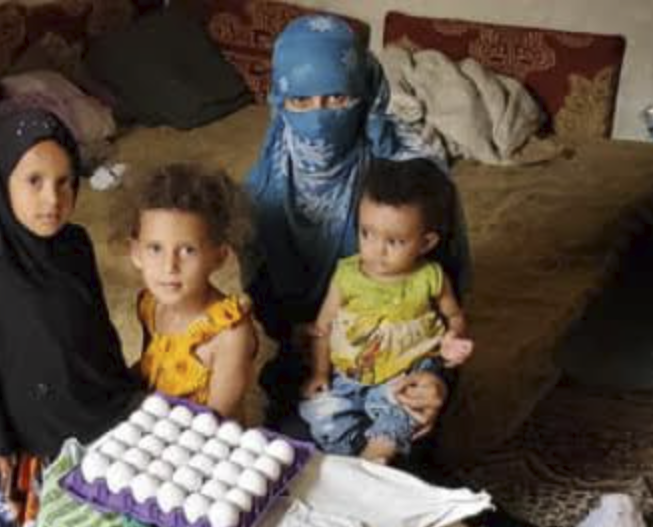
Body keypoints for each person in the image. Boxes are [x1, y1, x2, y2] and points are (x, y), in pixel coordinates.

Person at [0, 108, 142, 527]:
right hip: (18, 431)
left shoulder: (74, 245)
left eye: (63, 182)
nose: (51, 200)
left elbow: (95, 327)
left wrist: (119, 392)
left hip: (78, 403)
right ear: (0, 181)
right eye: (33, 181)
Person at [244, 14, 468, 434]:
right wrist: (307, 342)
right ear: (279, 101)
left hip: (409, 353)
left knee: (398, 444)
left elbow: (445, 298)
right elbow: (265, 299)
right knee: (288, 456)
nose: (320, 117)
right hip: (318, 356)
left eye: (337, 99)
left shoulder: (415, 178)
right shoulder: (261, 191)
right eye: (301, 102)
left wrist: (435, 373)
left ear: (365, 95)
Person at [301, 157, 474, 464]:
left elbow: (454, 316)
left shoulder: (431, 277)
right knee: (324, 411)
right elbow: (322, 328)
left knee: (403, 407)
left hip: (406, 371)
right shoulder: (347, 275)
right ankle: (348, 455)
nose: (376, 250)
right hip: (351, 373)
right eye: (366, 233)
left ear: (426, 242)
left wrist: (453, 338)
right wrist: (319, 371)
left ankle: (378, 454)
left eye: (394, 241)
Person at [118, 163, 260, 422]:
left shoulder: (230, 335)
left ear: (219, 257)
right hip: (156, 426)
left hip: (206, 446)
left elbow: (215, 422)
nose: (169, 266)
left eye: (187, 250)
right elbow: (154, 369)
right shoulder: (149, 305)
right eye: (155, 248)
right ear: (136, 253)